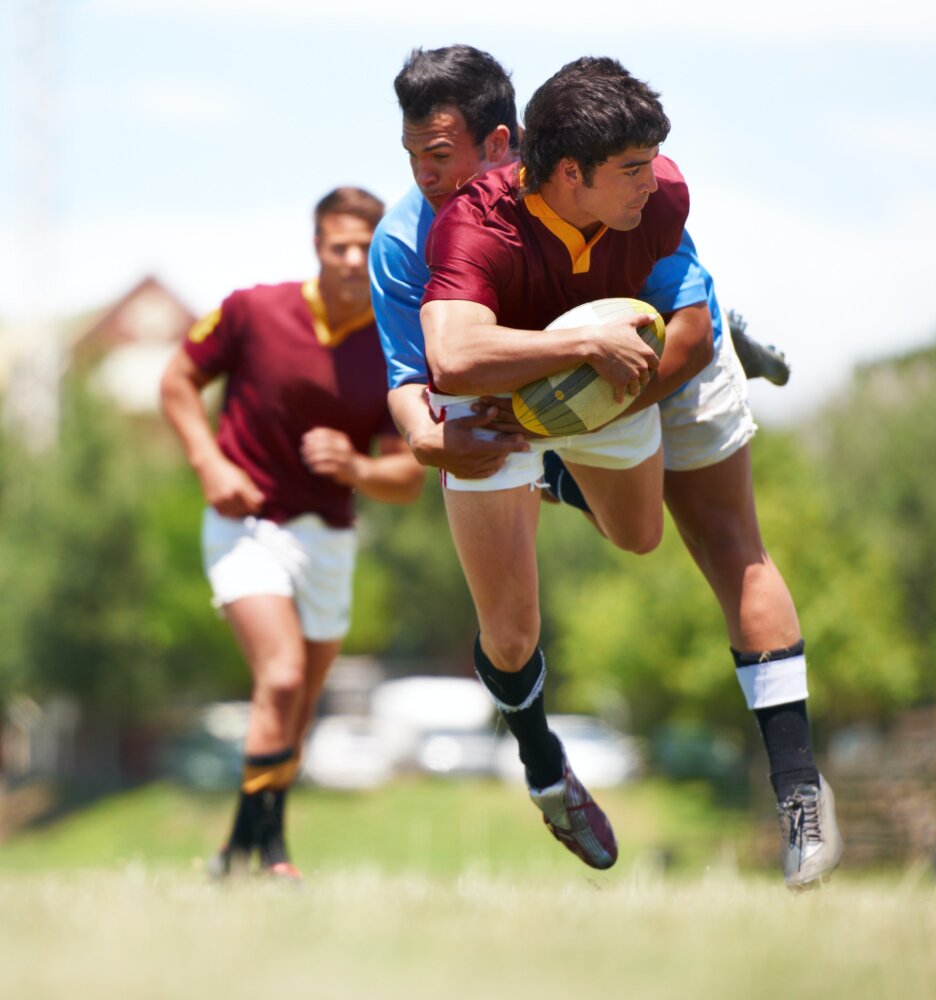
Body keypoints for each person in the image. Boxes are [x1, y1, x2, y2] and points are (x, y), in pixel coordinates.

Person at [370, 46, 840, 888]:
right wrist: (429, 438)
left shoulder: (635, 185)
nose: (423, 178)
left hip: (645, 363)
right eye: (413, 158)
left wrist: (606, 391)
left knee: (664, 536)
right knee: (509, 629)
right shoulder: (421, 238)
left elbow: (679, 344)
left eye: (440, 157)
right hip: (502, 389)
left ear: (505, 144)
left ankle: (802, 792)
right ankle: (546, 772)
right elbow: (424, 372)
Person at [160, 186, 425, 881]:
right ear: (316, 246)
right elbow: (177, 381)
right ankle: (273, 856)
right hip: (244, 527)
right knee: (277, 680)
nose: (350, 258)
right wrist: (208, 462)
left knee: (299, 706)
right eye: (338, 244)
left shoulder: (397, 343)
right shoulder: (251, 309)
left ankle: (234, 854)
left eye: (365, 247)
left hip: (331, 541)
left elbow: (409, 476)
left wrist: (357, 466)